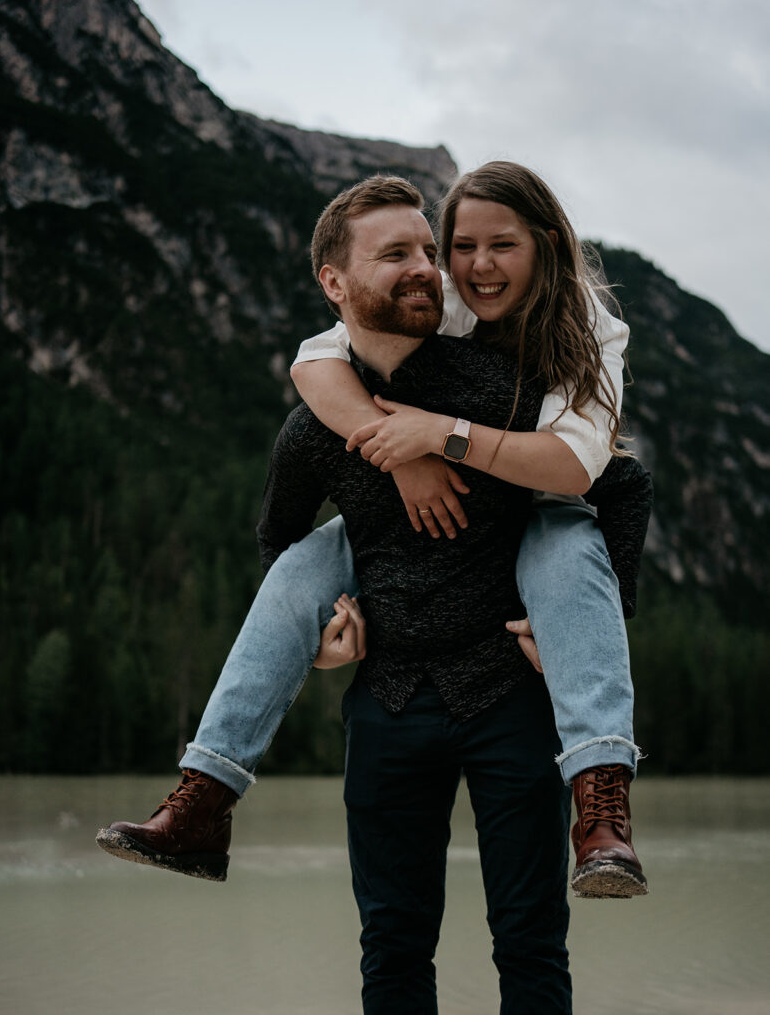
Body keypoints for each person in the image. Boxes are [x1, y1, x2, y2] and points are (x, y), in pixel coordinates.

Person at [97, 166, 651, 907]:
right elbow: (315, 359)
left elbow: (604, 475)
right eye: (459, 248)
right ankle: (203, 798)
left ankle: (602, 805)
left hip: (546, 502)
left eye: (502, 246)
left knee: (568, 540)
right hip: (394, 667)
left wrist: (443, 439)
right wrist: (395, 450)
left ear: (546, 246)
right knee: (301, 563)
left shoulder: (585, 328)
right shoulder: (440, 296)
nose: (473, 267)